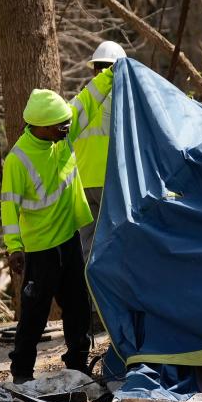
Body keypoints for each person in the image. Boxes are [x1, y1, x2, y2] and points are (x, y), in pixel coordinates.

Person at [0, 88, 105, 383]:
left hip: (69, 239)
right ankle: (21, 372)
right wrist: (14, 247)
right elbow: (9, 206)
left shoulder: (63, 137)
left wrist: (113, 72)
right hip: (40, 249)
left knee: (78, 307)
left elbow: (87, 100)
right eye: (61, 125)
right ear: (42, 126)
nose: (67, 128)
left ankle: (77, 365)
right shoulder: (18, 160)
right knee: (34, 313)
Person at [75, 40, 127, 257]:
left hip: (82, 186)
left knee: (88, 249)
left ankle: (89, 290)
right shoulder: (121, 101)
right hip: (110, 183)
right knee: (115, 244)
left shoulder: (78, 102)